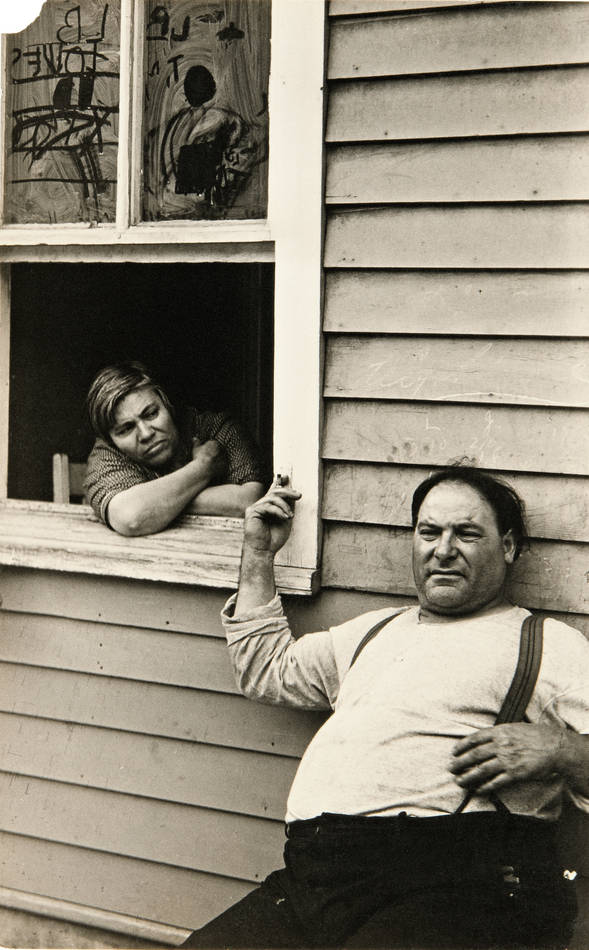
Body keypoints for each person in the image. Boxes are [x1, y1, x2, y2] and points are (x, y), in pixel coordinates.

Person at [182, 466, 589, 949]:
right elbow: (267, 670)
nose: (443, 550)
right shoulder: (373, 632)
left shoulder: (549, 642)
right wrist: (259, 555)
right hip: (316, 878)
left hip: (453, 885)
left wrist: (561, 748)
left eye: (466, 534)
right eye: (429, 532)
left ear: (508, 546)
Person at [83, 361, 266, 535]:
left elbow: (251, 501)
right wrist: (203, 467)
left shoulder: (214, 428)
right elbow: (131, 517)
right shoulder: (106, 453)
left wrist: (155, 504)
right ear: (110, 440)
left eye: (151, 414)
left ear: (167, 404)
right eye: (126, 429)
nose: (146, 434)